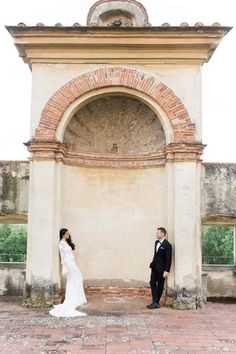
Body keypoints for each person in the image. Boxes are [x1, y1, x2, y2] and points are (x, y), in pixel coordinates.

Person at [49, 228, 87, 317]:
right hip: (69, 265)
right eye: (66, 234)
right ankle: (72, 299)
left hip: (73, 263)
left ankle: (78, 299)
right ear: (62, 235)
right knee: (73, 280)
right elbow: (63, 257)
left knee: (78, 278)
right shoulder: (61, 244)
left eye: (68, 233)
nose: (68, 235)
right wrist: (65, 267)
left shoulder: (66, 242)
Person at [147, 227, 172, 309]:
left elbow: (169, 259)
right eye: (157, 233)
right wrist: (152, 263)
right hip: (154, 267)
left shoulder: (168, 245)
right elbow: (156, 254)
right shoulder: (156, 242)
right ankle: (155, 301)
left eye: (158, 233)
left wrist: (166, 270)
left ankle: (156, 302)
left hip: (162, 269)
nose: (156, 234)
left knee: (160, 285)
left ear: (163, 234)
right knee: (152, 282)